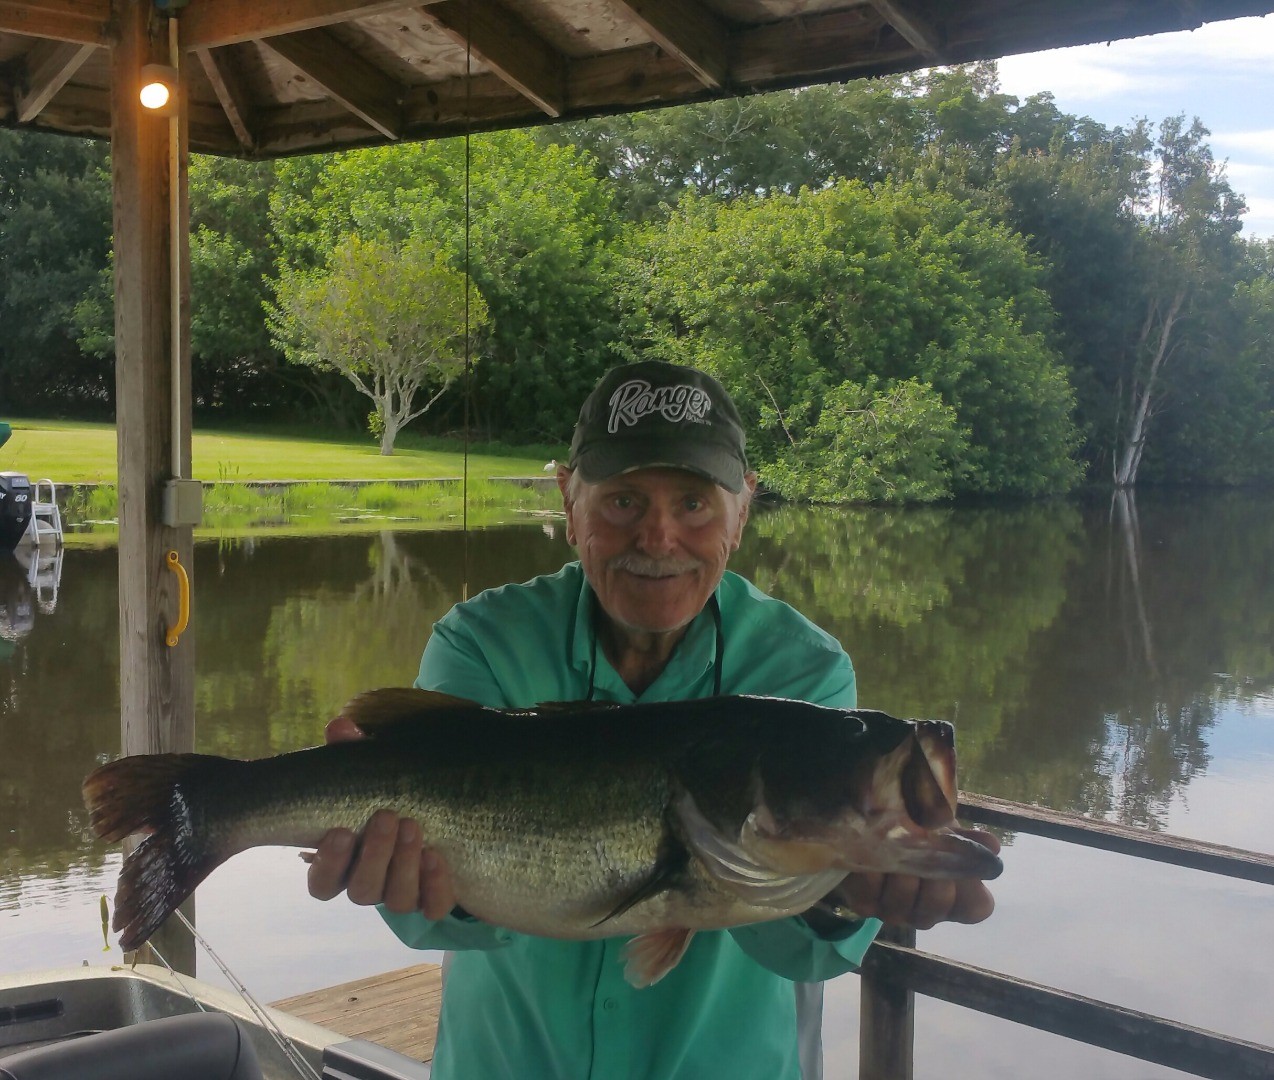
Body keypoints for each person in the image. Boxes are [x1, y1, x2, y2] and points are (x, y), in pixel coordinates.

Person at [306, 360, 998, 1079]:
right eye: (625, 501)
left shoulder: (804, 671)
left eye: (695, 504)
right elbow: (429, 912)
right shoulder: (480, 641)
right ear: (568, 503)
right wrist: (412, 884)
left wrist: (849, 897)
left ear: (742, 510)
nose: (659, 537)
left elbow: (802, 952)